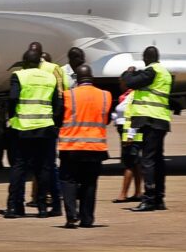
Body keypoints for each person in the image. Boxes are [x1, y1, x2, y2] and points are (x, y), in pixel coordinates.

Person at [0, 47, 62, 219]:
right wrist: (54, 122)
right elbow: (57, 102)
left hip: (23, 128)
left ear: (24, 63)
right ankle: (42, 207)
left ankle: (15, 207)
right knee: (43, 168)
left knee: (19, 167)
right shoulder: (50, 77)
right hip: (45, 128)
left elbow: (12, 98)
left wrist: (12, 117)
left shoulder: (19, 76)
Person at [58, 64, 112, 229]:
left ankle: (71, 216)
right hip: (95, 147)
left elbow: (59, 118)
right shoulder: (105, 95)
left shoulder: (68, 95)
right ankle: (87, 218)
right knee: (90, 183)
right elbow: (106, 119)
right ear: (92, 78)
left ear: (77, 79)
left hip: (71, 146)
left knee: (68, 181)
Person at [122, 46, 171, 212]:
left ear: (146, 58)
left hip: (150, 120)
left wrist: (128, 72)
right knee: (158, 160)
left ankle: (149, 199)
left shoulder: (152, 71)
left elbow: (130, 82)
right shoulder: (164, 73)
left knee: (148, 160)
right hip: (161, 120)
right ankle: (158, 198)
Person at [111, 75, 143, 204]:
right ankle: (138, 192)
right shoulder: (127, 96)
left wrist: (130, 135)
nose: (120, 85)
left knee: (128, 163)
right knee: (134, 163)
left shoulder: (133, 96)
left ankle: (123, 194)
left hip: (130, 134)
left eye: (121, 82)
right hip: (127, 133)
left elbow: (134, 116)